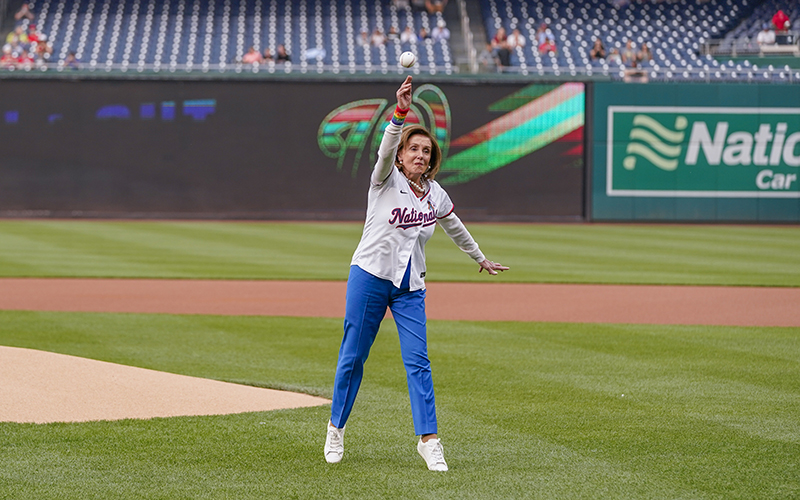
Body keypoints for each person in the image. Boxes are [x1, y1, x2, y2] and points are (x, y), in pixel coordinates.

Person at [323, 76, 509, 471]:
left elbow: (454, 225)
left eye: (426, 150)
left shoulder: (435, 193)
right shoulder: (384, 180)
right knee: (353, 357)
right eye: (413, 149)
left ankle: (429, 440)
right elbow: (386, 144)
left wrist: (480, 257)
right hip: (370, 277)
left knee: (418, 361)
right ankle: (336, 428)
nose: (420, 155)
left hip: (410, 287)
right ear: (401, 155)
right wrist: (401, 112)